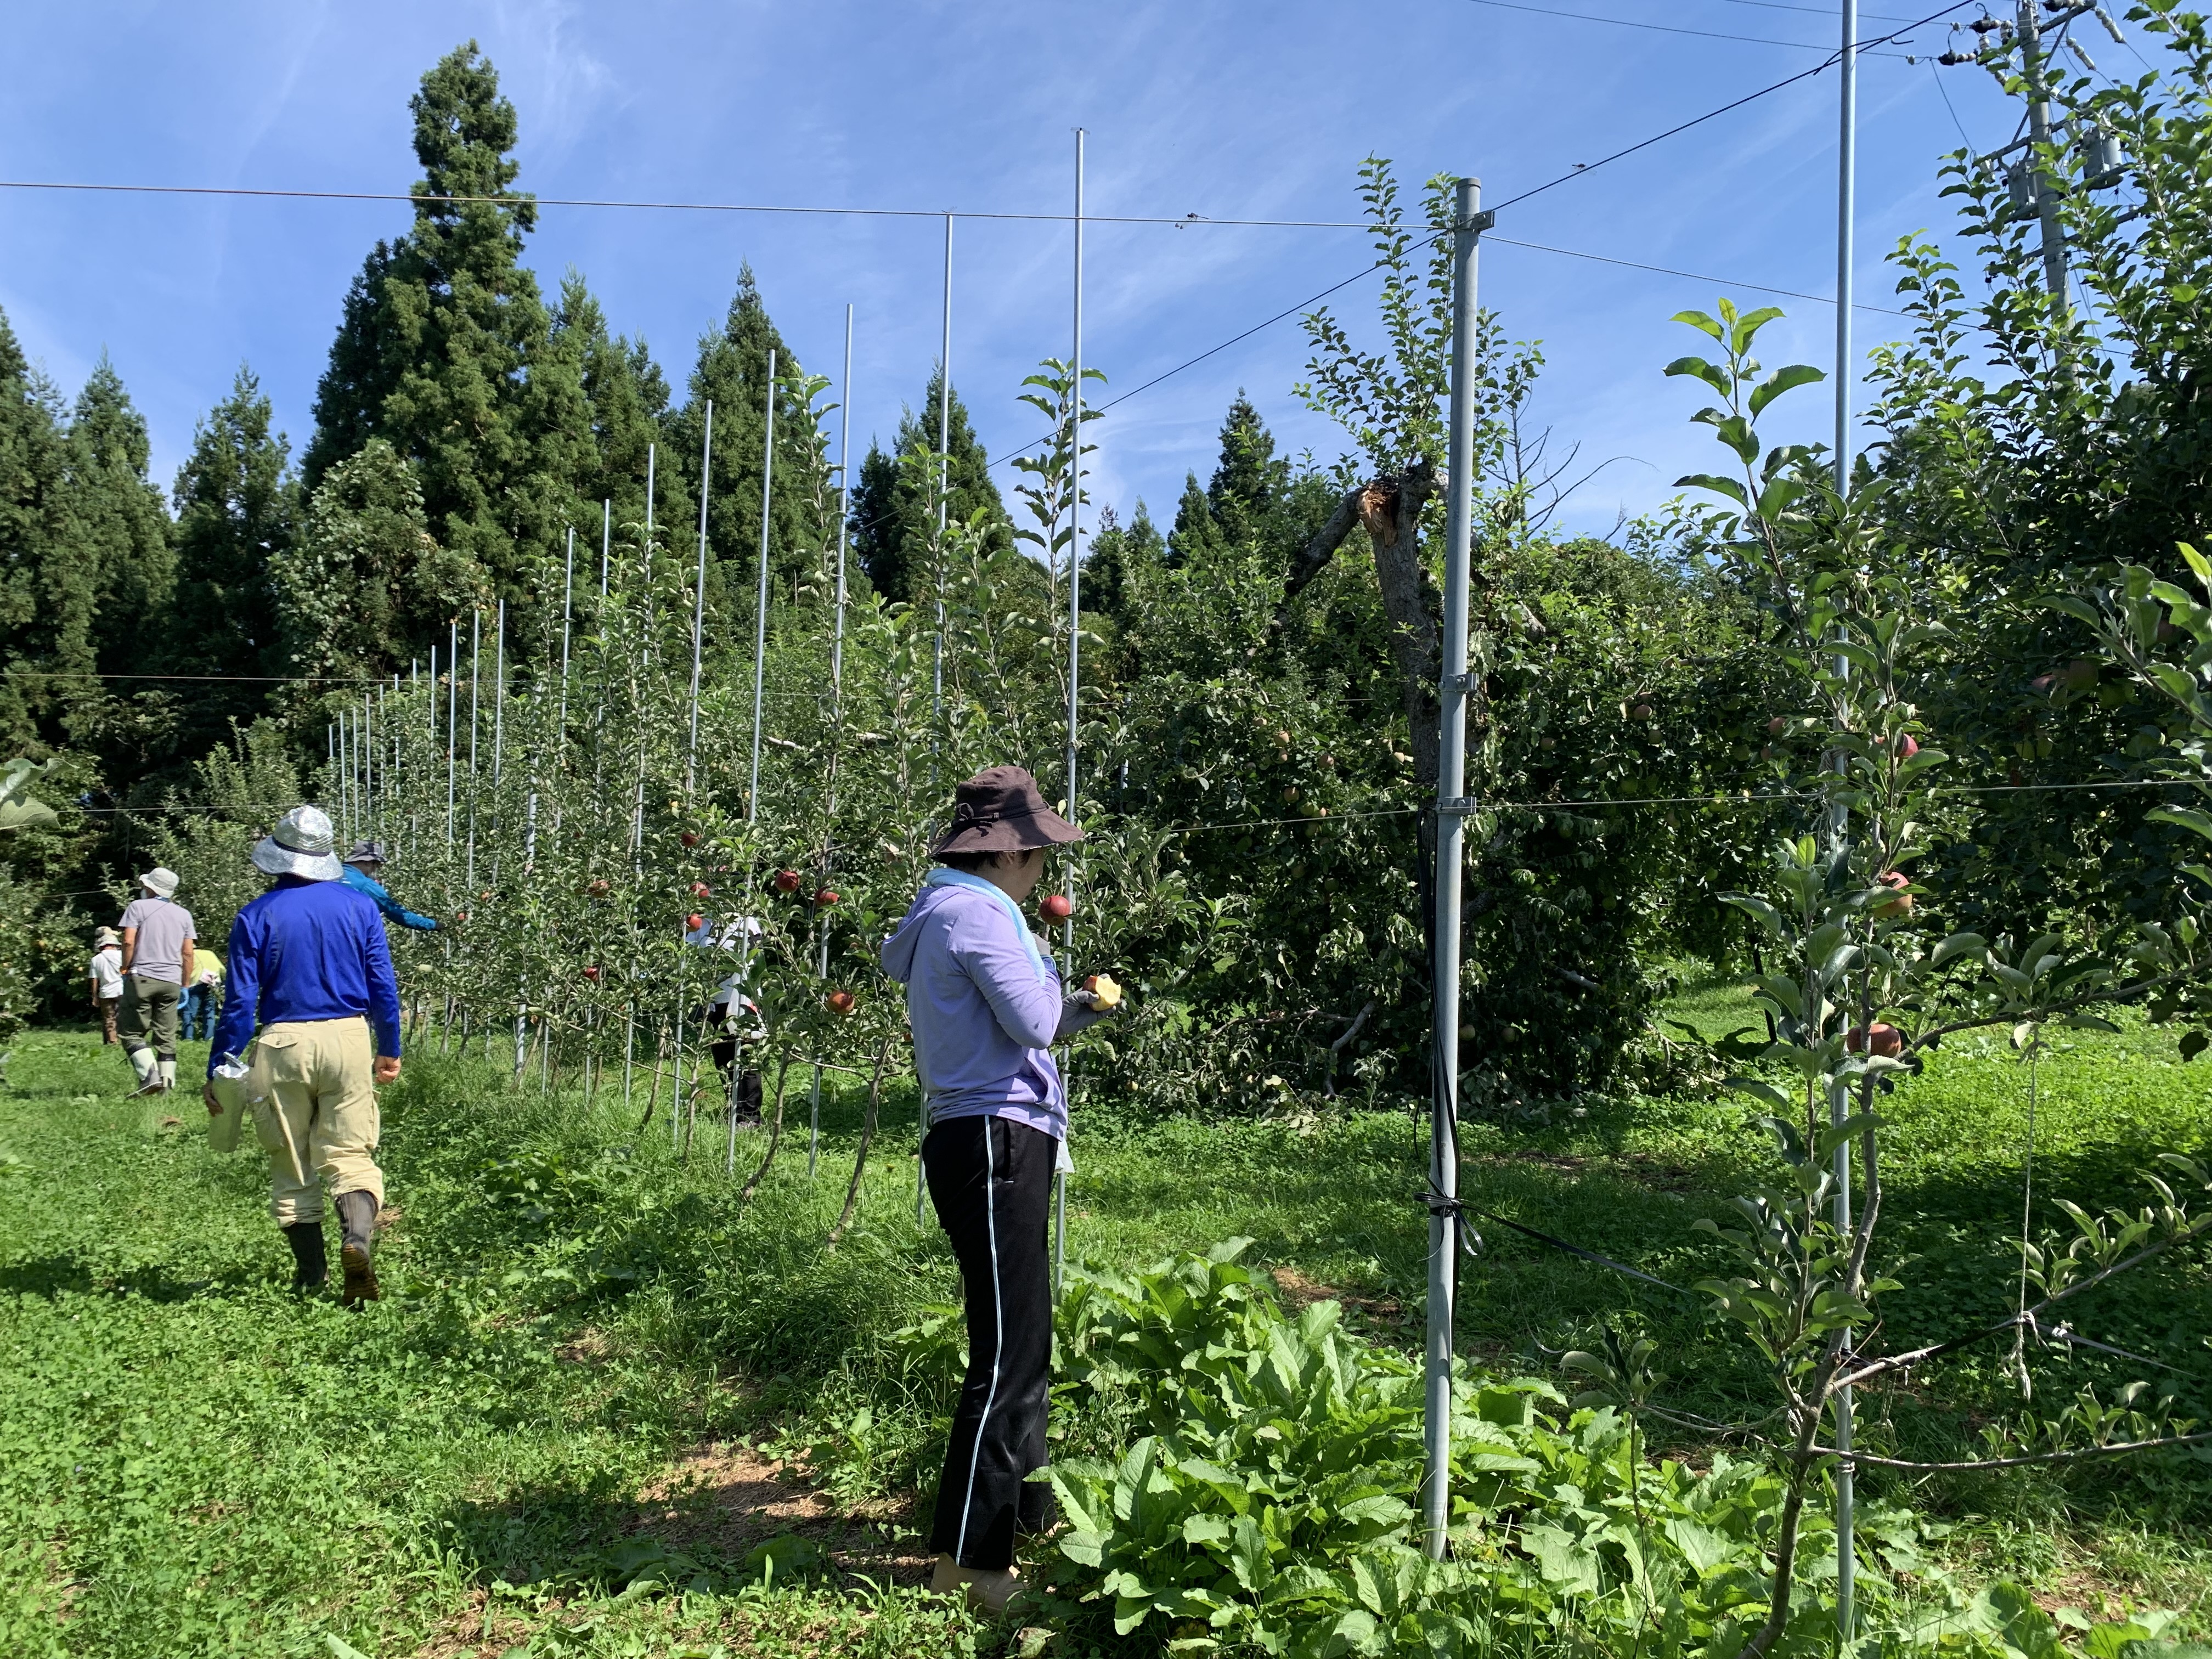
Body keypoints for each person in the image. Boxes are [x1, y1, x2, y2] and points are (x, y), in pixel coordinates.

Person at [879, 765, 1119, 1613]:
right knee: (1010, 1356)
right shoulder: (980, 913)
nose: (1045, 871)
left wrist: (1068, 997)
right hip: (993, 1142)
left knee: (1024, 1345)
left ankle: (1019, 1518)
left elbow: (1023, 1021)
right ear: (1009, 852)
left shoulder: (943, 910)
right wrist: (1066, 986)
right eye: (1040, 854)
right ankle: (973, 1567)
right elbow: (1031, 1023)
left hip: (982, 1137)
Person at [206, 805, 403, 1305]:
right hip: (349, 1038)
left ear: (278, 858)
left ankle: (311, 1278)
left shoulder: (256, 915)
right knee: (351, 1155)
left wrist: (220, 1067)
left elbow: (239, 1002)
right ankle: (356, 1241)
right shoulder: (360, 908)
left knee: (292, 1163)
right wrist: (390, 1048)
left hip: (283, 1041)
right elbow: (383, 984)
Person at [117, 867, 195, 1096]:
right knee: (166, 1034)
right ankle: (167, 1087)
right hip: (172, 981)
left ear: (149, 888)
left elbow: (129, 941)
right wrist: (185, 983)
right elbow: (188, 952)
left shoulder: (137, 907)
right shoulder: (184, 915)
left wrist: (125, 966)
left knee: (131, 1032)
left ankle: (149, 1077)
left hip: (143, 976)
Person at [687, 914, 764, 1122]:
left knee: (745, 1056)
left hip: (741, 998)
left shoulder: (745, 920)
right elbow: (688, 952)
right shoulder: (700, 923)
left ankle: (750, 1115)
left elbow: (756, 950)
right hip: (714, 1000)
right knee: (723, 1059)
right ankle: (733, 1106)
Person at [340, 840, 439, 931]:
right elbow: (394, 912)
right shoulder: (366, 885)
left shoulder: (334, 875)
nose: (375, 870)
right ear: (368, 862)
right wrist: (433, 924)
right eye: (376, 865)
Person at [180, 946, 224, 1042]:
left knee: (190, 1011)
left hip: (195, 983)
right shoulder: (209, 953)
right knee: (209, 1010)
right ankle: (209, 1037)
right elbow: (222, 969)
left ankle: (188, 1037)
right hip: (213, 984)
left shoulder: (187, 954)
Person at [88, 928, 124, 1045]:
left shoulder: (96, 959)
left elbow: (94, 979)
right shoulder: (122, 955)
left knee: (109, 1018)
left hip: (105, 993)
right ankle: (124, 1039)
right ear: (114, 944)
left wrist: (94, 996)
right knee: (123, 1017)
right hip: (122, 990)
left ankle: (113, 1041)